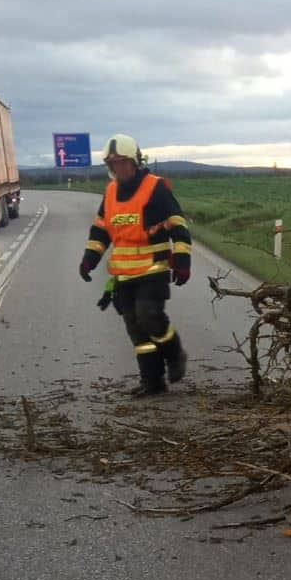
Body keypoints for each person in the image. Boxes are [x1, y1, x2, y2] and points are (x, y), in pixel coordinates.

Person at [79, 135, 191, 395]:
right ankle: (152, 381)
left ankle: (175, 354)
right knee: (137, 331)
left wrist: (182, 260)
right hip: (124, 275)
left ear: (135, 161)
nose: (119, 168)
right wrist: (89, 259)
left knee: (149, 315)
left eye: (123, 162)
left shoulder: (155, 188)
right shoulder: (110, 192)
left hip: (153, 269)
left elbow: (178, 223)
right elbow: (101, 230)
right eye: (113, 163)